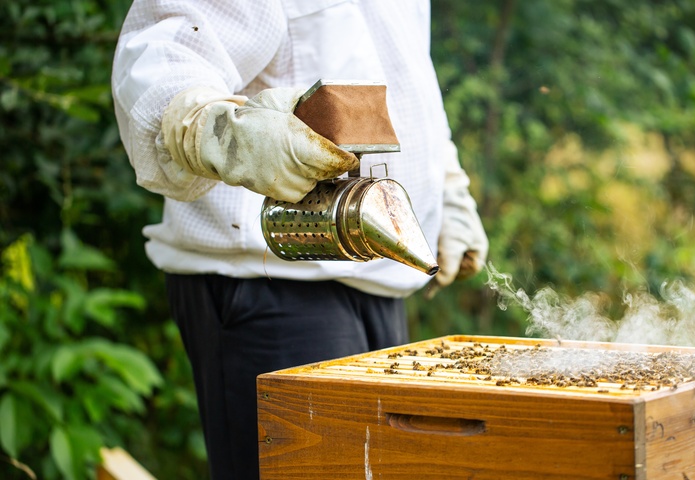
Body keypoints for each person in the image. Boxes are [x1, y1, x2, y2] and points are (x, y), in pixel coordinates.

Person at [111, 1, 488, 478]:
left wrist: (448, 189)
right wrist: (215, 130)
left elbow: (406, 80)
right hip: (269, 284)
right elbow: (162, 53)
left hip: (382, 280)